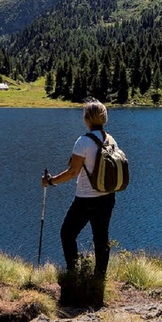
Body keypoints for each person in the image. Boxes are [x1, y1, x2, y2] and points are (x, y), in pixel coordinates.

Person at [41, 99, 116, 281]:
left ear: (87, 119)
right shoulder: (111, 139)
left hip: (86, 199)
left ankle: (74, 272)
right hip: (107, 197)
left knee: (67, 234)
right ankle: (100, 278)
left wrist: (51, 182)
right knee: (101, 238)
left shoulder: (83, 142)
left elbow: (73, 172)